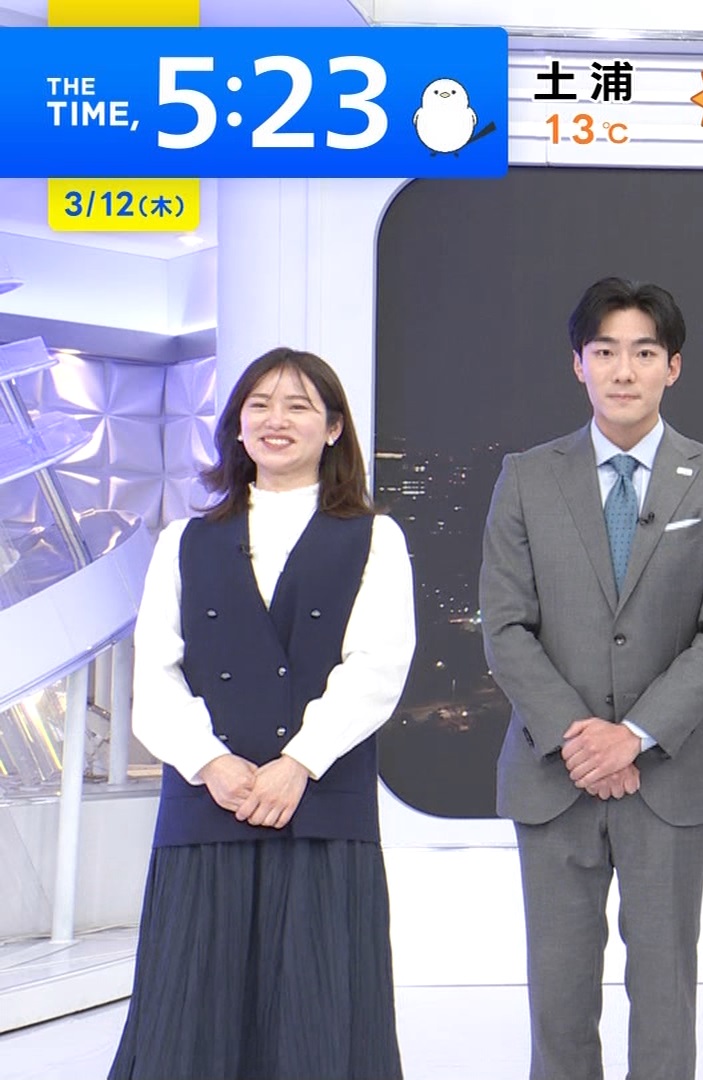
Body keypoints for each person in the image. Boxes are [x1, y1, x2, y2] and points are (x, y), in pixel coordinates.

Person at [111, 347, 416, 1079]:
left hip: (321, 803)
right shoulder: (182, 541)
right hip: (206, 803)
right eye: (259, 405)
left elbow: (378, 666)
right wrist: (210, 763)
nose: (276, 420)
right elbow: (154, 676)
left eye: (299, 405)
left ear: (334, 428)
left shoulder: (374, 536)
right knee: (190, 1015)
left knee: (317, 1013)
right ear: (237, 426)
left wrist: (299, 762)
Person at [480, 277, 703, 1080]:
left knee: (665, 996)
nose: (623, 371)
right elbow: (505, 626)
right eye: (605, 352)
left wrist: (632, 736)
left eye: (643, 352)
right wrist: (581, 738)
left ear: (674, 366)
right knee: (558, 999)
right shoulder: (526, 477)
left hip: (672, 776)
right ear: (578, 364)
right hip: (554, 774)